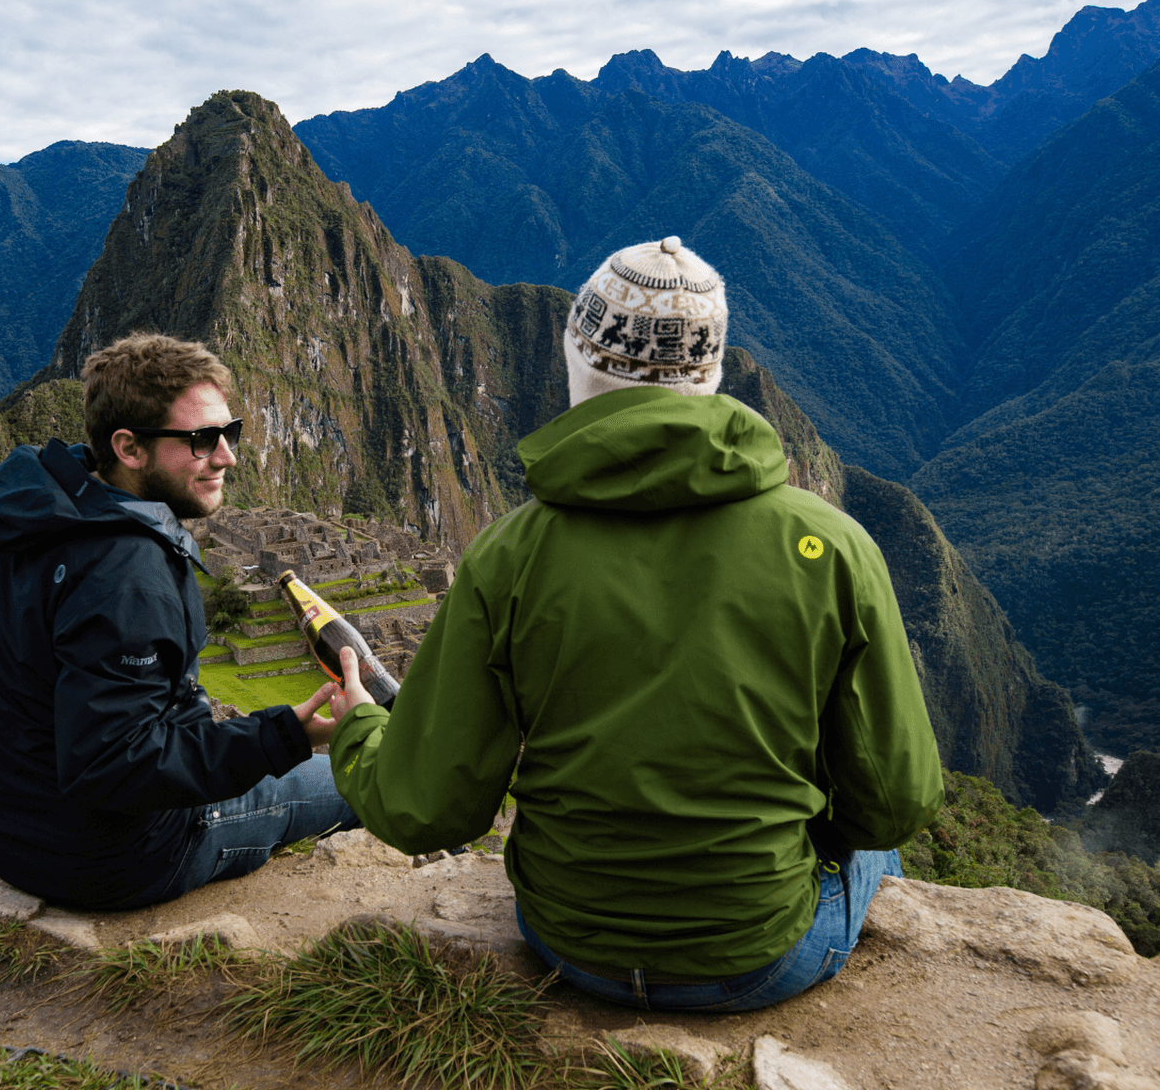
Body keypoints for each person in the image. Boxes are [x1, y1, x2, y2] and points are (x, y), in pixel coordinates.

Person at [325, 237, 944, 1013]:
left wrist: (360, 728)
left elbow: (428, 808)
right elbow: (896, 800)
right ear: (711, 373)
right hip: (758, 956)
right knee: (877, 849)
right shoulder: (833, 547)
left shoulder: (508, 553)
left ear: (575, 361)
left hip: (569, 943)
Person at [0, 332, 359, 910]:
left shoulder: (37, 506)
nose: (227, 456)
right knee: (372, 776)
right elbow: (115, 767)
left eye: (229, 432)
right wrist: (289, 736)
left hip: (8, 831)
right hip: (116, 855)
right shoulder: (127, 574)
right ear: (129, 448)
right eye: (201, 440)